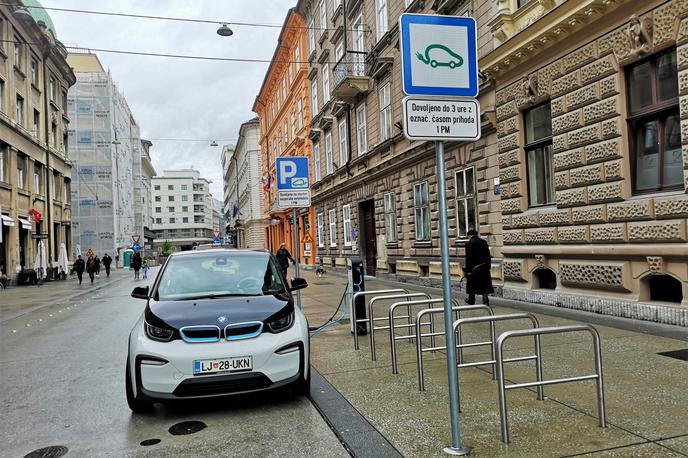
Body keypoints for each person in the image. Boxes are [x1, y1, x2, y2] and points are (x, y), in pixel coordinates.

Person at [463, 229, 494, 306]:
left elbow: (468, 258)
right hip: (484, 267)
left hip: (473, 269)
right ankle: (485, 301)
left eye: (468, 236)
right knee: (484, 285)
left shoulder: (469, 244)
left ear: (470, 235)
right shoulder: (484, 242)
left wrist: (468, 270)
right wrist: (488, 266)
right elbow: (488, 256)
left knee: (471, 285)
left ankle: (471, 300)